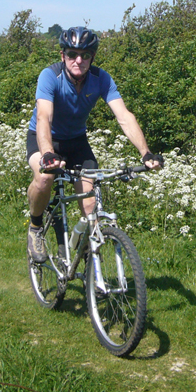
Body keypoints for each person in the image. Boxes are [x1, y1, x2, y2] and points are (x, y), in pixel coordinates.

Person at [25, 26, 163, 263]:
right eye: (72, 54)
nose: (78, 60)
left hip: (77, 141)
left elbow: (124, 117)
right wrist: (48, 153)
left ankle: (91, 270)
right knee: (45, 177)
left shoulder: (102, 79)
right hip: (45, 139)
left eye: (85, 55)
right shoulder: (50, 76)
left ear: (92, 58)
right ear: (63, 56)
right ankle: (36, 227)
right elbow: (43, 117)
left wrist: (145, 152)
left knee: (91, 205)